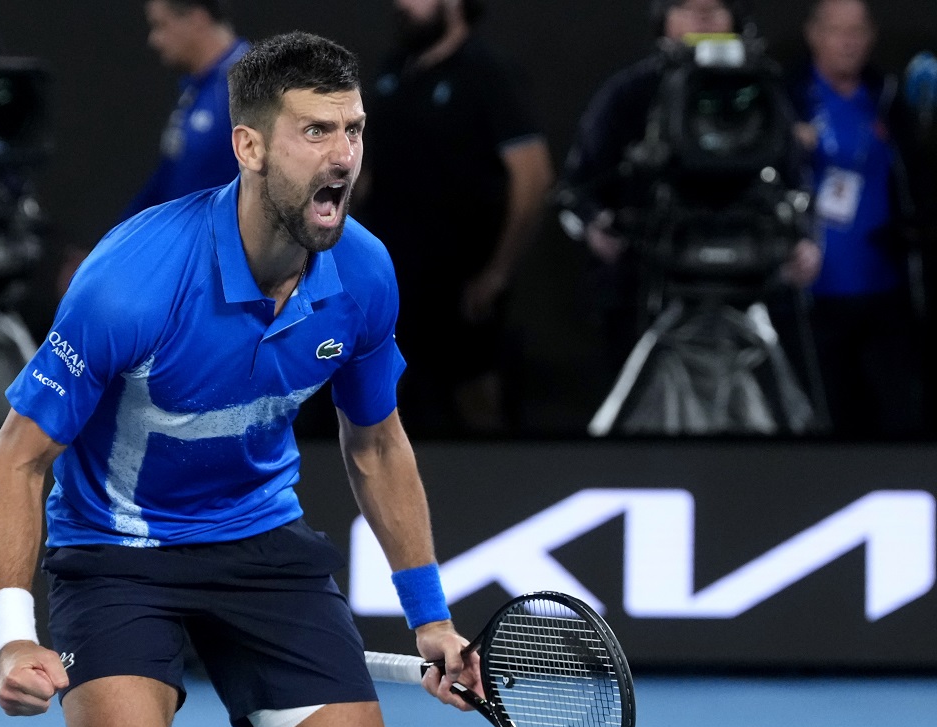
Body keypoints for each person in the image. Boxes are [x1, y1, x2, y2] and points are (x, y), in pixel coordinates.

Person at [0, 32, 481, 727]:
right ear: (249, 146)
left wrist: (432, 619)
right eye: (315, 131)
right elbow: (20, 459)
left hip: (260, 542)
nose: (344, 156)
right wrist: (12, 639)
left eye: (353, 129)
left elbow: (376, 445)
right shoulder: (132, 282)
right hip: (119, 556)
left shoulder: (364, 273)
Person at [559, 0, 822, 380]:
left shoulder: (763, 91)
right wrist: (595, 225)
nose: (702, 15)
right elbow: (576, 187)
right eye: (686, 5)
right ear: (662, 20)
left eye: (714, 7)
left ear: (735, 19)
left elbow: (797, 180)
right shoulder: (630, 92)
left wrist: (806, 241)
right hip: (648, 289)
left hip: (751, 288)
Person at [358, 0, 554, 436]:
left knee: (476, 401)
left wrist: (497, 272)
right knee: (384, 410)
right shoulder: (394, 71)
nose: (400, 6)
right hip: (390, 283)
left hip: (460, 283)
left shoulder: (487, 72)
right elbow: (367, 170)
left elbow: (533, 176)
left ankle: (496, 496)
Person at [791, 0, 933, 436]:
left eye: (858, 31)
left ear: (872, 37)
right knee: (827, 416)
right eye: (838, 31)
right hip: (814, 295)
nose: (849, 42)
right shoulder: (787, 100)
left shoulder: (888, 97)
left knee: (898, 414)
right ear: (814, 34)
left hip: (886, 291)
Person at [117, 0, 250, 221]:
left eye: (161, 25)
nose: (154, 40)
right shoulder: (194, 92)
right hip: (186, 247)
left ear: (196, 19)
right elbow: (166, 183)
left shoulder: (257, 85)